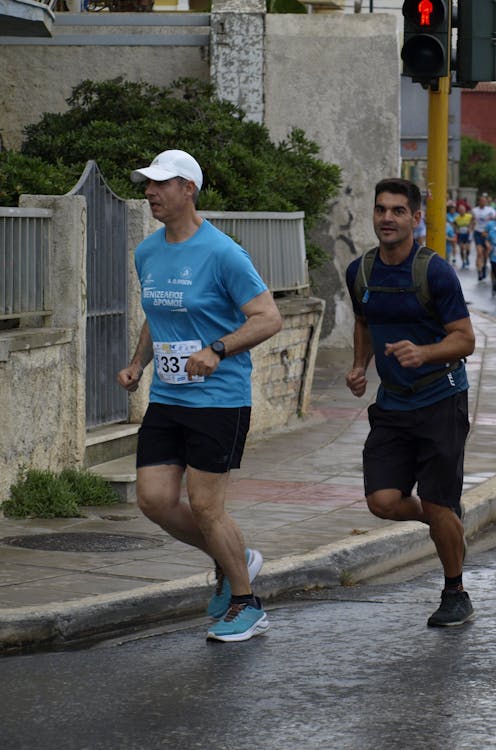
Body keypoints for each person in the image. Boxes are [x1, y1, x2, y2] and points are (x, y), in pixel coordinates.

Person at [118, 149, 283, 642]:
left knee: (207, 506)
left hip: (219, 399)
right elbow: (159, 313)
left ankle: (246, 601)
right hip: (169, 397)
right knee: (154, 500)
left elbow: (267, 317)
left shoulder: (223, 252)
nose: (150, 192)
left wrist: (218, 348)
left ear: (188, 189)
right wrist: (136, 363)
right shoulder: (147, 251)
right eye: (147, 184)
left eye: (161, 184)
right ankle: (232, 554)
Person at [345, 177, 477, 628]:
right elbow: (365, 320)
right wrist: (360, 365)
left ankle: (455, 591)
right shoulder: (360, 271)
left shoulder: (434, 272)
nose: (387, 218)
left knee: (438, 503)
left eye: (398, 211)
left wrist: (424, 352)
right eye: (381, 209)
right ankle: (447, 520)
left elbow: (465, 340)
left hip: (441, 398)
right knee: (382, 501)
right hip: (393, 403)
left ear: (416, 219)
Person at [471, 194, 496, 282]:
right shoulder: (474, 210)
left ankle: (484, 268)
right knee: (479, 253)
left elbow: (494, 220)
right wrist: (470, 230)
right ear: (478, 202)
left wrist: (492, 219)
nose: (483, 202)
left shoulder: (491, 210)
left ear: (486, 202)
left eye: (484, 201)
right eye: (481, 201)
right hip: (478, 233)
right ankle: (479, 271)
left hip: (487, 234)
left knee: (486, 255)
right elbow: (472, 220)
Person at [453, 201, 473, 269]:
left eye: (463, 210)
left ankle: (467, 257)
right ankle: (463, 262)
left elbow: (473, 222)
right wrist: (456, 230)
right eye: (460, 210)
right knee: (461, 249)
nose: (461, 211)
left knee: (468, 249)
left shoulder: (469, 216)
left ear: (465, 210)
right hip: (461, 234)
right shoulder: (456, 218)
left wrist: (470, 228)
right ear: (458, 211)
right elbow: (454, 225)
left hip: (467, 234)